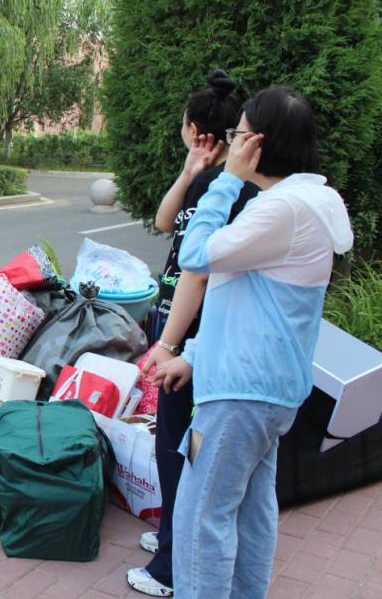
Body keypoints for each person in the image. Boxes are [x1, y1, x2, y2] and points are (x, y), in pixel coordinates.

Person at [156, 86, 352, 598]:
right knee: (250, 508)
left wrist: (226, 181)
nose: (232, 142)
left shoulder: (284, 210)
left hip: (238, 397)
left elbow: (195, 255)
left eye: (238, 133)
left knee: (201, 513)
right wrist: (192, 355)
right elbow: (241, 295)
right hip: (261, 391)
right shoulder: (302, 204)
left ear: (258, 143)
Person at [127, 70, 261, 597]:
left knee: (178, 445)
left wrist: (168, 343)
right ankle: (170, 535)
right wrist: (188, 171)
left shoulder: (228, 189)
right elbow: (166, 224)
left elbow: (198, 272)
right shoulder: (209, 181)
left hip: (191, 335)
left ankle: (170, 565)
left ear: (193, 128)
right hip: (182, 326)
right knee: (180, 441)